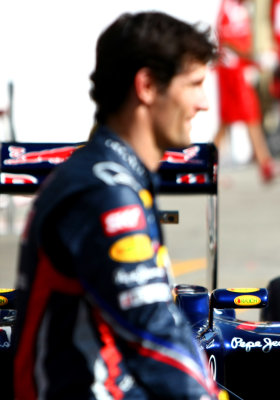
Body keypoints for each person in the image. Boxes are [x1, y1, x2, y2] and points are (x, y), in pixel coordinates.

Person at [13, 12, 221, 399]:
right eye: (194, 85)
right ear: (146, 86)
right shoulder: (104, 190)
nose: (204, 103)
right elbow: (153, 337)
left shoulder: (110, 176)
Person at [213, 0, 278, 183]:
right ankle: (264, 163)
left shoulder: (242, 8)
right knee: (232, 119)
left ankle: (265, 163)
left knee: (248, 115)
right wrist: (252, 57)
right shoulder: (228, 7)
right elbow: (226, 39)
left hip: (241, 70)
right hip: (230, 72)